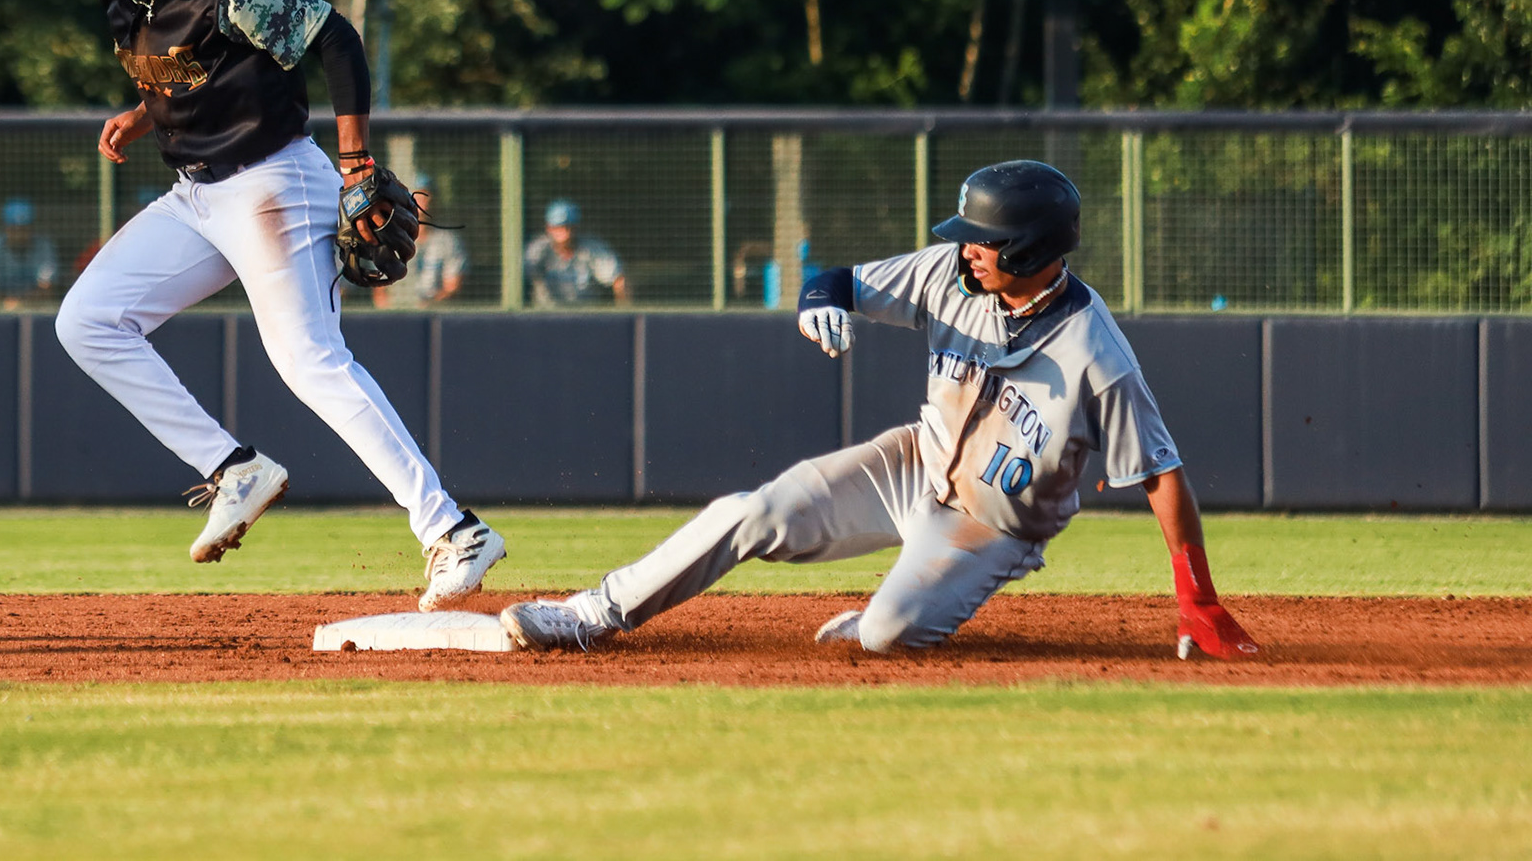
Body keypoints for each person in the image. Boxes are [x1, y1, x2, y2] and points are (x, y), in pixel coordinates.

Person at [500, 161, 1258, 661]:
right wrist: (815, 305)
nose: (965, 251)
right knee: (754, 511)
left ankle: (893, 610)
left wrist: (1198, 599)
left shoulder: (1097, 354)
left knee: (888, 636)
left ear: (1029, 250)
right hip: (910, 463)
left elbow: (1161, 474)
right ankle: (591, 614)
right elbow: (838, 280)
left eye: (983, 240)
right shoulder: (947, 275)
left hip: (989, 526)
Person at [50, 0, 504, 610]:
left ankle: (453, 529)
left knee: (309, 362)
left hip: (272, 181)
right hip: (196, 193)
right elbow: (180, 65)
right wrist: (144, 110)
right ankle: (234, 469)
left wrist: (355, 161)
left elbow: (338, 38)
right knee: (87, 322)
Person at [371, 173, 467, 308]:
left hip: (433, 313)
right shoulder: (388, 239)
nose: (425, 203)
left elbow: (452, 287)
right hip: (395, 314)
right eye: (418, 197)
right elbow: (379, 292)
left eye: (427, 197)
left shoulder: (448, 241)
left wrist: (425, 306)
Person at [523, 199, 628, 306]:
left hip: (585, 317)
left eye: (568, 227)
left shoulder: (591, 248)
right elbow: (520, 274)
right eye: (558, 227)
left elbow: (618, 279)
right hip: (545, 317)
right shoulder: (538, 249)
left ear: (576, 227)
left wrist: (625, 317)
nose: (564, 232)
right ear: (548, 228)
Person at [0, 198, 59, 309]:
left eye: (23, 229)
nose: (19, 235)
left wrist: (20, 302)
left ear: (32, 228)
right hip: (0, 312)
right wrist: (8, 302)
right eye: (13, 229)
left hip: (37, 310)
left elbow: (47, 290)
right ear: (5, 228)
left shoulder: (44, 248)